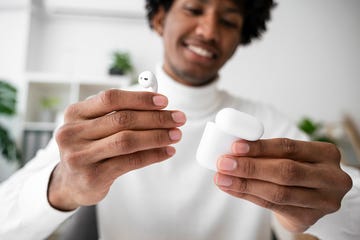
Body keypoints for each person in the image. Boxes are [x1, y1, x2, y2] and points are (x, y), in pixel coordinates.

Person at [0, 0, 358, 239]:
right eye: (193, 9)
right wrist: (61, 185)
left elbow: (342, 200)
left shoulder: (267, 122)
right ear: (159, 19)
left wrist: (324, 206)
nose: (208, 30)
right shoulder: (100, 121)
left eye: (229, 20)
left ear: (240, 38)